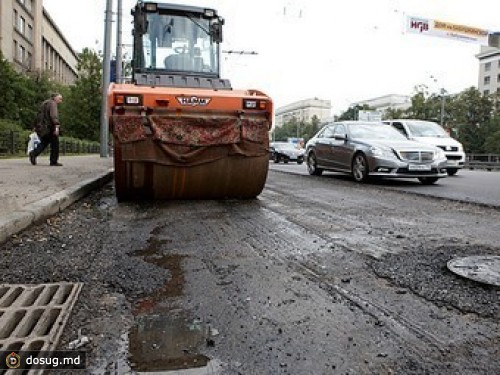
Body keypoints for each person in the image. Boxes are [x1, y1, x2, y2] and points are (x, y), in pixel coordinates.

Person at [29, 93, 63, 166]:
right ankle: (53, 161)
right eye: (60, 99)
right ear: (54, 98)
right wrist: (56, 125)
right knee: (55, 144)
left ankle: (33, 153)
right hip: (50, 126)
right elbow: (53, 116)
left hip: (42, 127)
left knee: (44, 142)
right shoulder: (53, 104)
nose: (61, 101)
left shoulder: (44, 103)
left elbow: (38, 115)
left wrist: (35, 126)